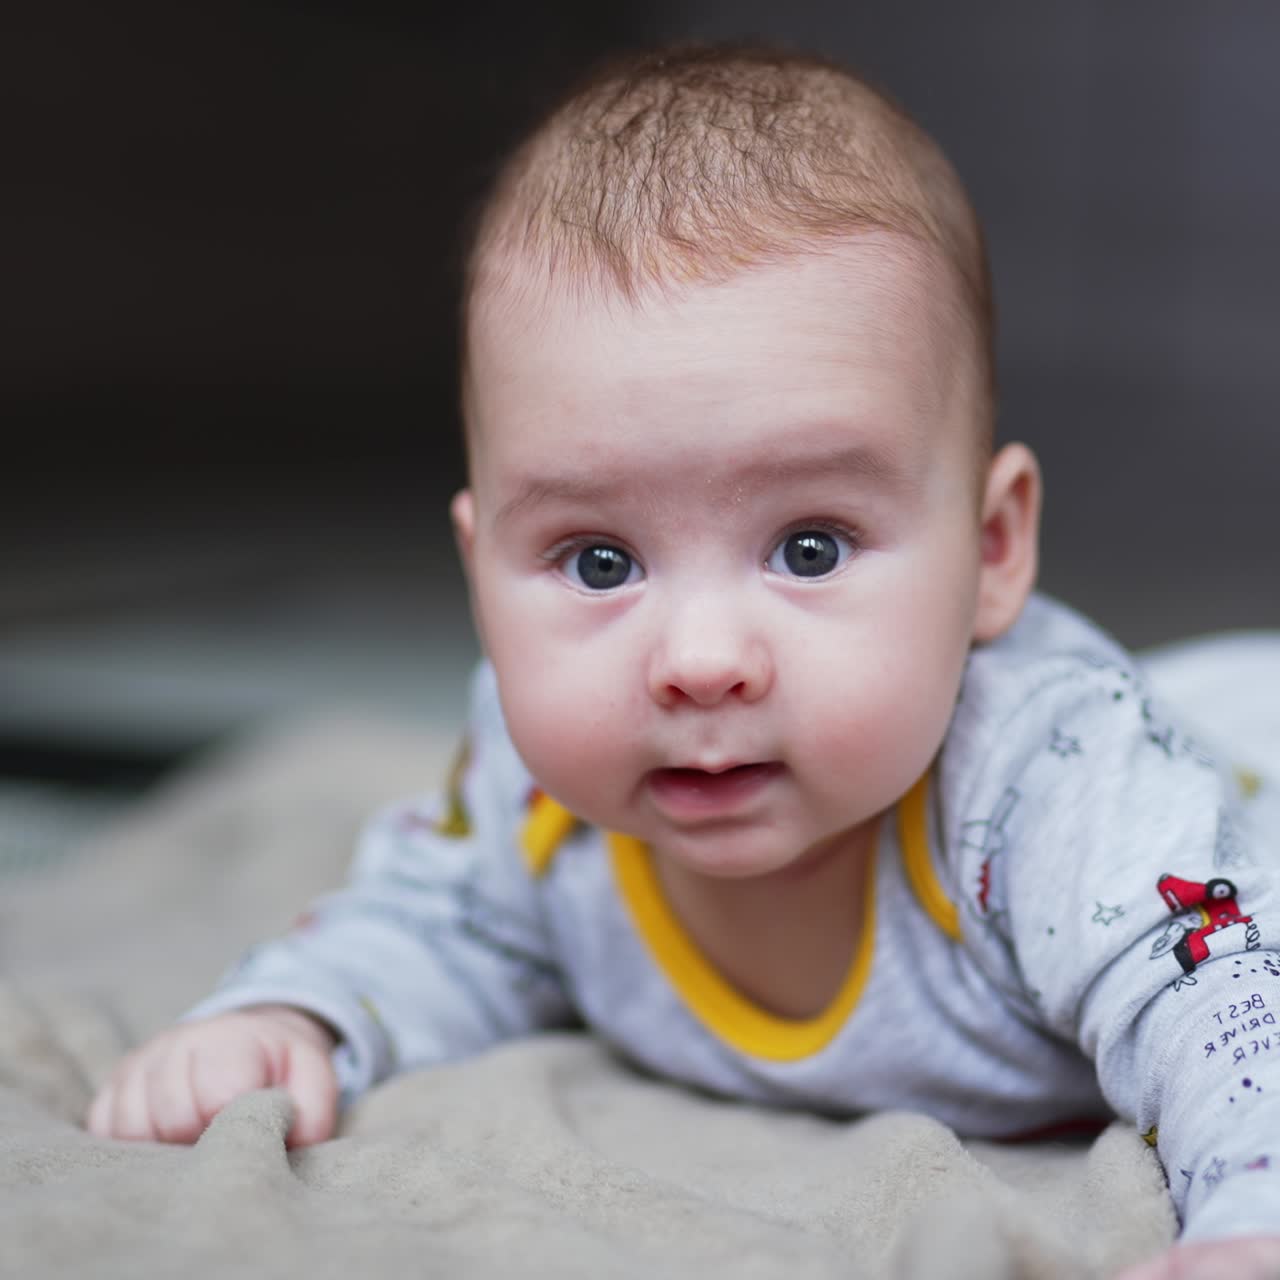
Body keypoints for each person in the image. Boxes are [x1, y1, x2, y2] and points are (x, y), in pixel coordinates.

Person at [86, 45, 1280, 1277]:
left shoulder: (1043, 785)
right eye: (599, 561)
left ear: (989, 549)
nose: (699, 661)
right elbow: (438, 923)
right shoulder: (535, 785)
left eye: (808, 546)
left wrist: (1251, 1221)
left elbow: (1231, 1006)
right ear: (478, 566)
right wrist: (291, 1013)